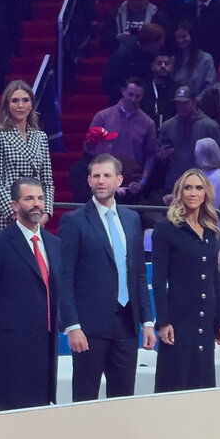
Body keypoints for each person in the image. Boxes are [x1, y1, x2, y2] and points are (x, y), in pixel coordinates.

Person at [58, 154, 156, 401]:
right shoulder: (74, 220)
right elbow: (65, 276)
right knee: (85, 399)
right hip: (89, 329)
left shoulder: (132, 218)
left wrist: (147, 321)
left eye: (107, 175)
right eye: (96, 176)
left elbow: (139, 274)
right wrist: (72, 326)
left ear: (119, 180)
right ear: (89, 180)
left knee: (123, 399)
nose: (101, 181)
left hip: (126, 324)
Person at [0, 177, 62, 409]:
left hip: (45, 348)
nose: (36, 204)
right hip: (11, 351)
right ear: (14, 205)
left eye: (40, 198)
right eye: (29, 198)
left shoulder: (54, 244)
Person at [152, 169, 220, 393]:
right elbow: (158, 279)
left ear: (206, 193)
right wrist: (163, 320)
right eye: (188, 187)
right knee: (176, 380)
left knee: (202, 382)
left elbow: (215, 280)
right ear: (180, 191)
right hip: (179, 318)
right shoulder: (166, 229)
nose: (193, 193)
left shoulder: (210, 230)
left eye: (198, 188)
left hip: (205, 320)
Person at [0, 79, 53, 232]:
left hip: (36, 215)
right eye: (15, 101)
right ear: (7, 105)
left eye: (25, 100)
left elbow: (47, 181)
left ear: (31, 105)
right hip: (9, 216)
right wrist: (16, 214)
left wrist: (46, 212)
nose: (20, 105)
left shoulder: (40, 137)